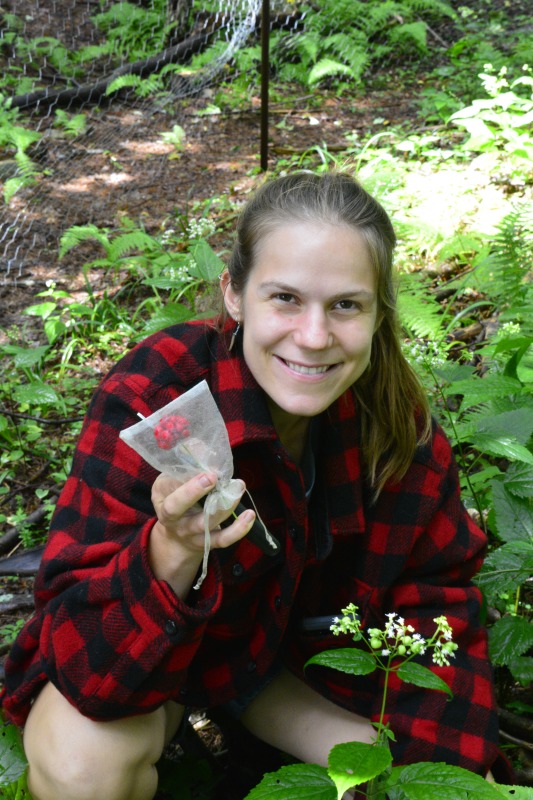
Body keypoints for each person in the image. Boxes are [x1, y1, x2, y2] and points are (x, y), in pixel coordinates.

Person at [2, 171, 504, 800]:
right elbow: (85, 666)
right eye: (285, 298)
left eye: (346, 304)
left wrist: (442, 762)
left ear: (379, 314)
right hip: (161, 655)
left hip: (279, 670)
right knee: (83, 767)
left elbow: (441, 610)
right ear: (234, 295)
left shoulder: (396, 432)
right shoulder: (156, 398)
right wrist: (173, 551)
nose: (315, 337)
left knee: (447, 786)